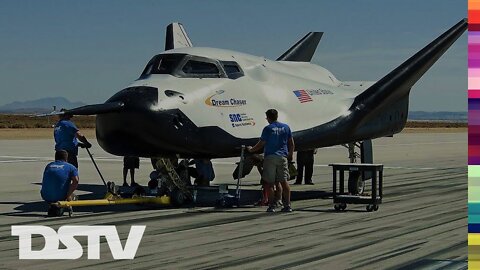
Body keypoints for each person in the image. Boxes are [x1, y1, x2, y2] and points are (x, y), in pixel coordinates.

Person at [248, 109, 294, 212]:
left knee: (270, 183)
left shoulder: (268, 129)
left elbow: (261, 143)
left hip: (270, 157)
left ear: (268, 118)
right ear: (277, 116)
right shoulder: (286, 127)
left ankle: (272, 205)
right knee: (284, 182)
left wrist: (251, 150)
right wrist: (290, 155)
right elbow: (291, 143)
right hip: (282, 157)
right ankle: (287, 205)